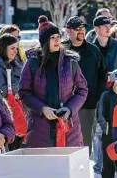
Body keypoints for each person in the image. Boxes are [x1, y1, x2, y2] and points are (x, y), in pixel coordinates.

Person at [19, 15, 88, 148]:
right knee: (43, 166)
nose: (57, 41)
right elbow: (24, 92)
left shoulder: (70, 61)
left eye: (58, 37)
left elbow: (82, 90)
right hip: (40, 127)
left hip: (68, 127)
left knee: (66, 166)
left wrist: (69, 108)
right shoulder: (33, 63)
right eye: (52, 38)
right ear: (45, 41)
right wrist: (43, 109)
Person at [62, 16, 106, 155]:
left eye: (82, 28)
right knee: (65, 142)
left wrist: (97, 97)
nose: (81, 31)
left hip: (88, 104)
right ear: (68, 31)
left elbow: (102, 75)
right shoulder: (61, 50)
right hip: (64, 104)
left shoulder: (94, 50)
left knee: (86, 142)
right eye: (77, 28)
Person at [0, 33, 26, 150]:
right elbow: (1, 90)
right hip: (4, 113)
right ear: (4, 48)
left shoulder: (15, 63)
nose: (15, 52)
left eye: (16, 48)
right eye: (12, 48)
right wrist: (20, 86)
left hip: (18, 112)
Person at [97, 69, 117, 178]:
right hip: (109, 133)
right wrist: (107, 127)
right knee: (108, 161)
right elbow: (100, 114)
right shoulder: (106, 95)